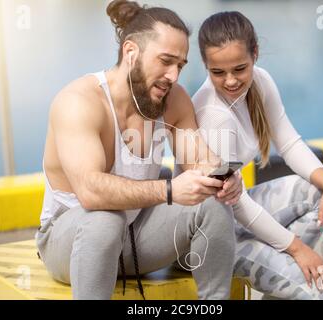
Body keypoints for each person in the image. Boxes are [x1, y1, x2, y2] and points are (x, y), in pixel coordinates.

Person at [35, 0, 243, 300]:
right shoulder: (79, 101)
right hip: (69, 244)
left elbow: (199, 160)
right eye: (166, 61)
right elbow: (91, 193)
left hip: (134, 239)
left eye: (180, 66)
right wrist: (170, 190)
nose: (173, 75)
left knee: (212, 204)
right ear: (131, 52)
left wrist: (221, 178)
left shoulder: (173, 99)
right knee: (105, 220)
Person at [192, 11, 323, 299]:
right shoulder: (213, 114)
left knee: (314, 193)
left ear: (256, 54)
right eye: (217, 72)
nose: (230, 81)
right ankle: (292, 277)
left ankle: (283, 284)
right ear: (205, 65)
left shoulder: (260, 81)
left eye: (240, 68)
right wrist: (297, 249)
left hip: (237, 215)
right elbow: (233, 203)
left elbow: (288, 143)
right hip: (212, 239)